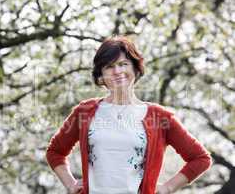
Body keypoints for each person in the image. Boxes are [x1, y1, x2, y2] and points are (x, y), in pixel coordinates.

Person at [46, 36, 212, 194]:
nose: (117, 71)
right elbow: (55, 151)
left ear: (135, 68)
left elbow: (200, 158)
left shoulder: (160, 117)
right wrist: (70, 183)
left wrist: (168, 188)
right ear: (101, 75)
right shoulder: (84, 112)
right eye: (109, 67)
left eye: (123, 64)